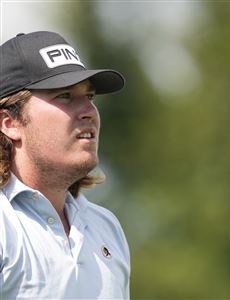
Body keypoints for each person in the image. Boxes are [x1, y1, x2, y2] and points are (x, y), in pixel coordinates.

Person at [0, 31, 130, 299]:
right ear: (10, 123)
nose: (89, 112)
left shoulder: (107, 227)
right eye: (64, 96)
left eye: (90, 97)